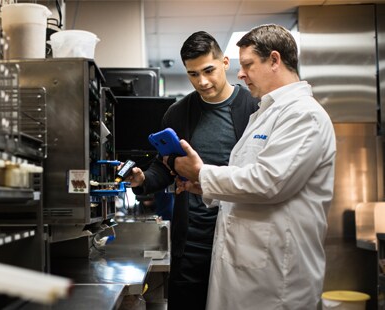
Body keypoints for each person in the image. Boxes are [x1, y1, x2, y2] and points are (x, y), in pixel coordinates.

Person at [172, 24, 336, 309]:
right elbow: (246, 178)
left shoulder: (303, 115)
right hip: (247, 268)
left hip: (276, 277)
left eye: (247, 64)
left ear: (274, 60)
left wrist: (203, 173)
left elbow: (269, 182)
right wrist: (206, 187)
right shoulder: (265, 114)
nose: (240, 73)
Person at [125, 31, 259, 309]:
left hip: (240, 236)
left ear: (224, 62)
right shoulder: (178, 113)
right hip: (193, 240)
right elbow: (165, 168)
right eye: (193, 74)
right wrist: (142, 180)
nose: (202, 81)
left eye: (208, 70)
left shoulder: (253, 108)